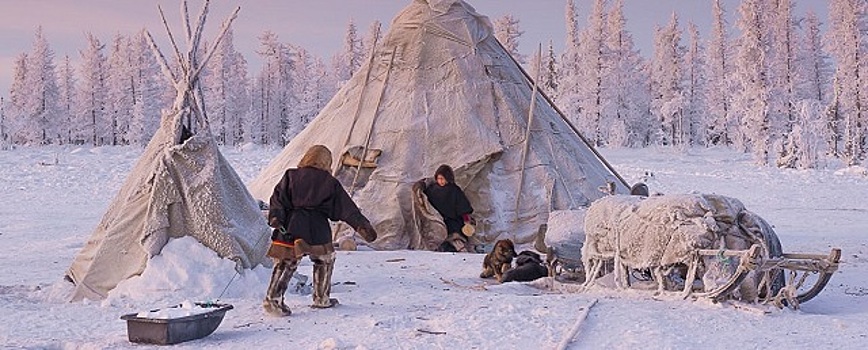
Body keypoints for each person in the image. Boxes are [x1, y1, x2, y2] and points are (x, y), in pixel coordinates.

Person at [264, 145, 377, 316]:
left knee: (285, 262)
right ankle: (321, 298)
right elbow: (346, 207)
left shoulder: (291, 175)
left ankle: (273, 300)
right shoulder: (328, 181)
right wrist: (361, 225)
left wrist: (275, 216)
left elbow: (278, 198)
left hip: (290, 225)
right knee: (324, 260)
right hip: (317, 227)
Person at [419, 164, 474, 252]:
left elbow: (462, 206)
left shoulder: (455, 190)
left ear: (448, 178)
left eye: (442, 178)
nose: (440, 181)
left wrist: (466, 220)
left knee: (456, 236)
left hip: (452, 221)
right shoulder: (432, 190)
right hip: (437, 220)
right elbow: (425, 201)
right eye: (438, 178)